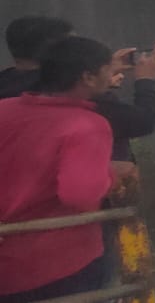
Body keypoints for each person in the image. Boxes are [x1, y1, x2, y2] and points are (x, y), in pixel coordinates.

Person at [0, 36, 132, 301]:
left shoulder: (4, 110)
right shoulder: (86, 125)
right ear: (88, 77)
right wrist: (108, 174)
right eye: (108, 69)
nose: (114, 74)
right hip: (62, 264)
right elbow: (80, 195)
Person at [0, 17, 155, 161]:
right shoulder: (79, 103)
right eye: (76, 46)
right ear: (57, 53)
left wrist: (100, 71)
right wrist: (145, 79)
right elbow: (144, 120)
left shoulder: (10, 94)